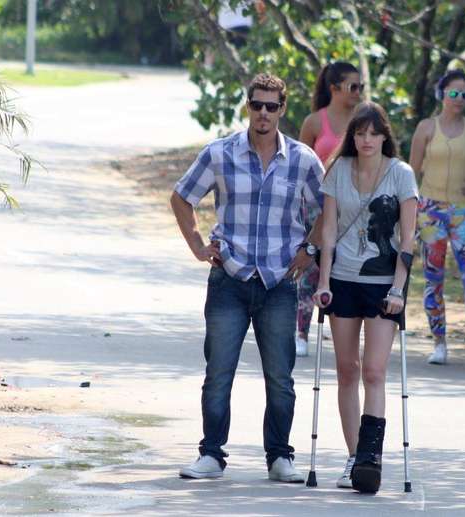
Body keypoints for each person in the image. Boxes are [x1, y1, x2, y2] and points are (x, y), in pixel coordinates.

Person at [171, 73, 324, 481]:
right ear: (248, 107)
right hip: (230, 278)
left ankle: (279, 458)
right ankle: (211, 455)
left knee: (281, 377)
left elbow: (330, 209)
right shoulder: (220, 153)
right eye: (257, 104)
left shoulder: (304, 159)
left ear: (282, 110)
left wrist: (310, 250)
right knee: (218, 371)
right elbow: (182, 196)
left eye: (271, 106)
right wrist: (198, 245)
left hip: (278, 282)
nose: (263, 113)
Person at [314, 102, 417, 493]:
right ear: (352, 137)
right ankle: (354, 458)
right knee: (346, 370)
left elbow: (408, 238)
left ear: (384, 135)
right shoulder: (338, 171)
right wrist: (323, 281)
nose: (366, 140)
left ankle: (371, 457)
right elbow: (327, 232)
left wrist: (398, 289)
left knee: (374, 370)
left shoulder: (401, 174)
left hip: (383, 284)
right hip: (342, 279)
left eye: (374, 133)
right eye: (360, 133)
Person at [409, 69, 465, 365]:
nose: (458, 99)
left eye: (464, 95)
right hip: (430, 210)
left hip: (464, 211)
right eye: (453, 93)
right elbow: (411, 171)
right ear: (441, 95)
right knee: (434, 278)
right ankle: (439, 342)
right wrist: (407, 209)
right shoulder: (426, 128)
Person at [295, 61, 362, 356]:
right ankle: (301, 332)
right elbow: (297, 168)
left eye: (361, 86)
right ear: (334, 88)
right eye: (353, 86)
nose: (359, 92)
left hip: (353, 207)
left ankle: (342, 332)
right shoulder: (313, 122)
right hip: (316, 206)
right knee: (311, 268)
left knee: (345, 268)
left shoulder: (363, 120)